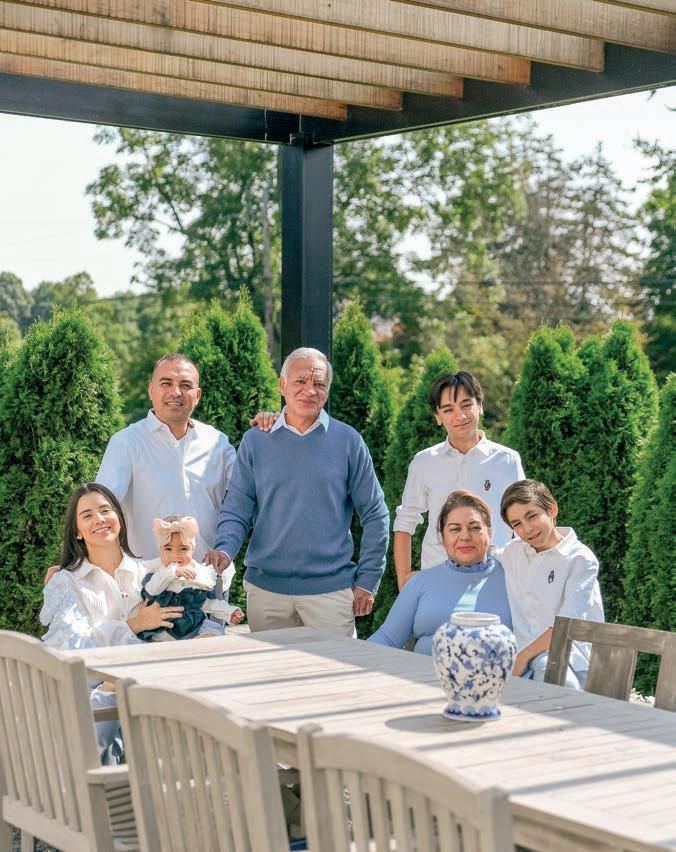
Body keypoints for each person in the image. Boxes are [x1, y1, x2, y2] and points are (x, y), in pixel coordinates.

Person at [208, 347, 389, 636]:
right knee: (271, 667)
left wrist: (368, 580)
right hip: (266, 592)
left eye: (319, 384)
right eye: (300, 381)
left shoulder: (348, 441)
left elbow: (376, 515)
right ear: (282, 385)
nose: (310, 390)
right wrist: (225, 549)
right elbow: (237, 508)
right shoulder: (256, 441)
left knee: (335, 667)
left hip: (331, 592)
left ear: (327, 391)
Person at [40, 483, 184, 763]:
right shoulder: (65, 582)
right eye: (87, 515)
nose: (99, 519)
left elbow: (183, 624)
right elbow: (73, 650)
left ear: (119, 517)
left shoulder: (152, 574)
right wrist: (134, 625)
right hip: (91, 697)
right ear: (77, 532)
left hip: (152, 693)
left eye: (106, 510)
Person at [96, 353, 237, 560]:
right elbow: (101, 511)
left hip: (206, 573)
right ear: (151, 390)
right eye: (166, 383)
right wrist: (76, 565)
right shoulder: (126, 443)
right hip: (147, 575)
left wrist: (271, 429)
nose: (176, 392)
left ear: (197, 395)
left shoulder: (218, 443)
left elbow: (249, 496)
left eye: (185, 385)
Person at [393, 371, 524, 589]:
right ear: (437, 416)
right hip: (437, 578)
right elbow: (405, 520)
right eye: (448, 410)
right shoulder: (424, 462)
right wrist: (403, 578)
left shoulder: (507, 460)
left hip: (493, 579)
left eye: (466, 405)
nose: (460, 416)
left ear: (480, 405)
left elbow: (521, 522)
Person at [369, 491, 511, 654]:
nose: (465, 536)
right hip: (422, 670)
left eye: (474, 527)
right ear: (442, 537)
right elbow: (387, 638)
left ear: (489, 532)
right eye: (455, 529)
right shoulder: (420, 582)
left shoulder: (512, 578)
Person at [499, 479, 604, 689]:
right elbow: (479, 555)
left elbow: (566, 625)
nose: (527, 529)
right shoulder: (512, 551)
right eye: (517, 524)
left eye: (532, 516)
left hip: (569, 656)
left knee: (561, 687)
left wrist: (523, 657)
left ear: (552, 509)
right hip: (523, 652)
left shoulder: (580, 560)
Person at [138, 514, 243, 641]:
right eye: (168, 549)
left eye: (183, 549)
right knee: (159, 638)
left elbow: (207, 602)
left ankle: (201, 642)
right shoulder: (156, 571)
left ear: (192, 549)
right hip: (165, 625)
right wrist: (172, 572)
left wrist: (229, 612)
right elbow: (152, 590)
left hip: (194, 624)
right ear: (160, 549)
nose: (175, 555)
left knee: (215, 630)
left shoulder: (199, 574)